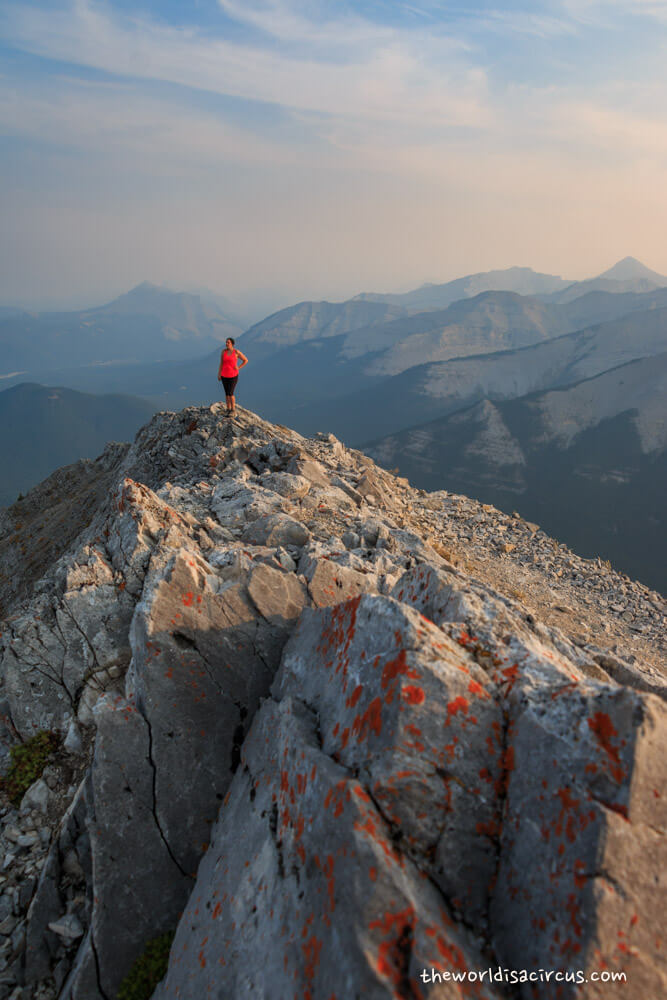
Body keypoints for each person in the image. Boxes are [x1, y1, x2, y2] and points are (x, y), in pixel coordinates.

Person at [217, 338, 248, 416]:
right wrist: (219, 373)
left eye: (228, 342)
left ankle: (233, 410)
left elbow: (245, 360)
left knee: (231, 393)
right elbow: (221, 363)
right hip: (224, 375)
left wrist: (238, 367)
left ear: (232, 344)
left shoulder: (236, 352)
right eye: (226, 342)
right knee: (227, 393)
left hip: (233, 375)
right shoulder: (223, 352)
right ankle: (228, 409)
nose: (226, 344)